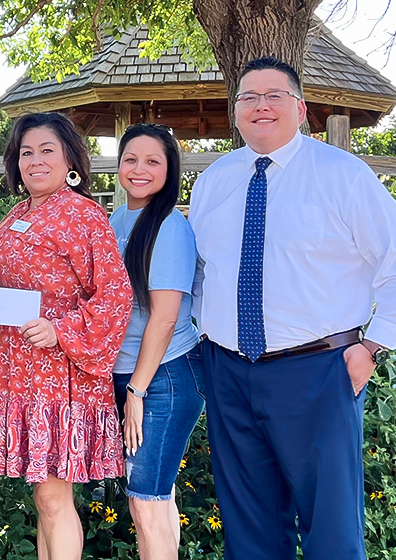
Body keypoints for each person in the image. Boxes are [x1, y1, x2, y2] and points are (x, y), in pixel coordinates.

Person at [189, 56, 396, 560]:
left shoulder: (343, 176)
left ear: (300, 109)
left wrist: (374, 345)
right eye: (248, 98)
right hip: (230, 372)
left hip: (318, 371)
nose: (261, 106)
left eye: (274, 95)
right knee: (249, 525)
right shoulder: (213, 182)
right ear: (235, 112)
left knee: (331, 530)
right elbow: (199, 273)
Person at [0, 112, 133, 560]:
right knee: (43, 498)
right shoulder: (19, 212)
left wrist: (61, 329)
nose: (35, 160)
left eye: (47, 150)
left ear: (69, 158)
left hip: (59, 372)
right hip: (19, 369)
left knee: (52, 497)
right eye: (27, 152)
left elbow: (115, 296)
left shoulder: (82, 215)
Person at [109, 123, 204, 559]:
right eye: (131, 159)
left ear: (171, 170)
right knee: (157, 500)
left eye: (153, 161)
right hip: (130, 372)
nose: (139, 169)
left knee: (144, 502)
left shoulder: (169, 226)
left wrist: (136, 390)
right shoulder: (117, 219)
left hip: (161, 378)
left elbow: (164, 319)